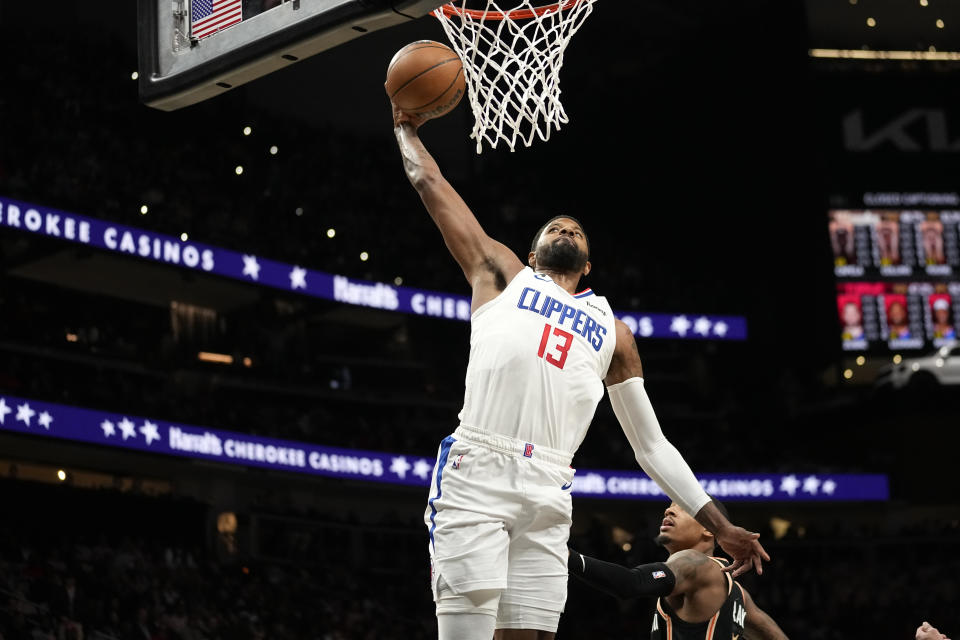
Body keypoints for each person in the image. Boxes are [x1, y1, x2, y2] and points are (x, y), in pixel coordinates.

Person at [391, 105, 768, 640]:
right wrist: (404, 127)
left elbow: (652, 447)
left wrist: (721, 525)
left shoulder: (613, 331)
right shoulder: (503, 276)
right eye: (554, 227)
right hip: (479, 467)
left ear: (587, 265)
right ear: (533, 252)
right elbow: (429, 181)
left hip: (550, 483)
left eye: (576, 230)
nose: (566, 228)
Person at [568, 500, 789, 639]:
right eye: (670, 506)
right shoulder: (739, 593)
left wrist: (562, 554)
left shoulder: (694, 562)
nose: (669, 511)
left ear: (709, 530)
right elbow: (769, 630)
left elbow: (630, 583)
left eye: (683, 508)